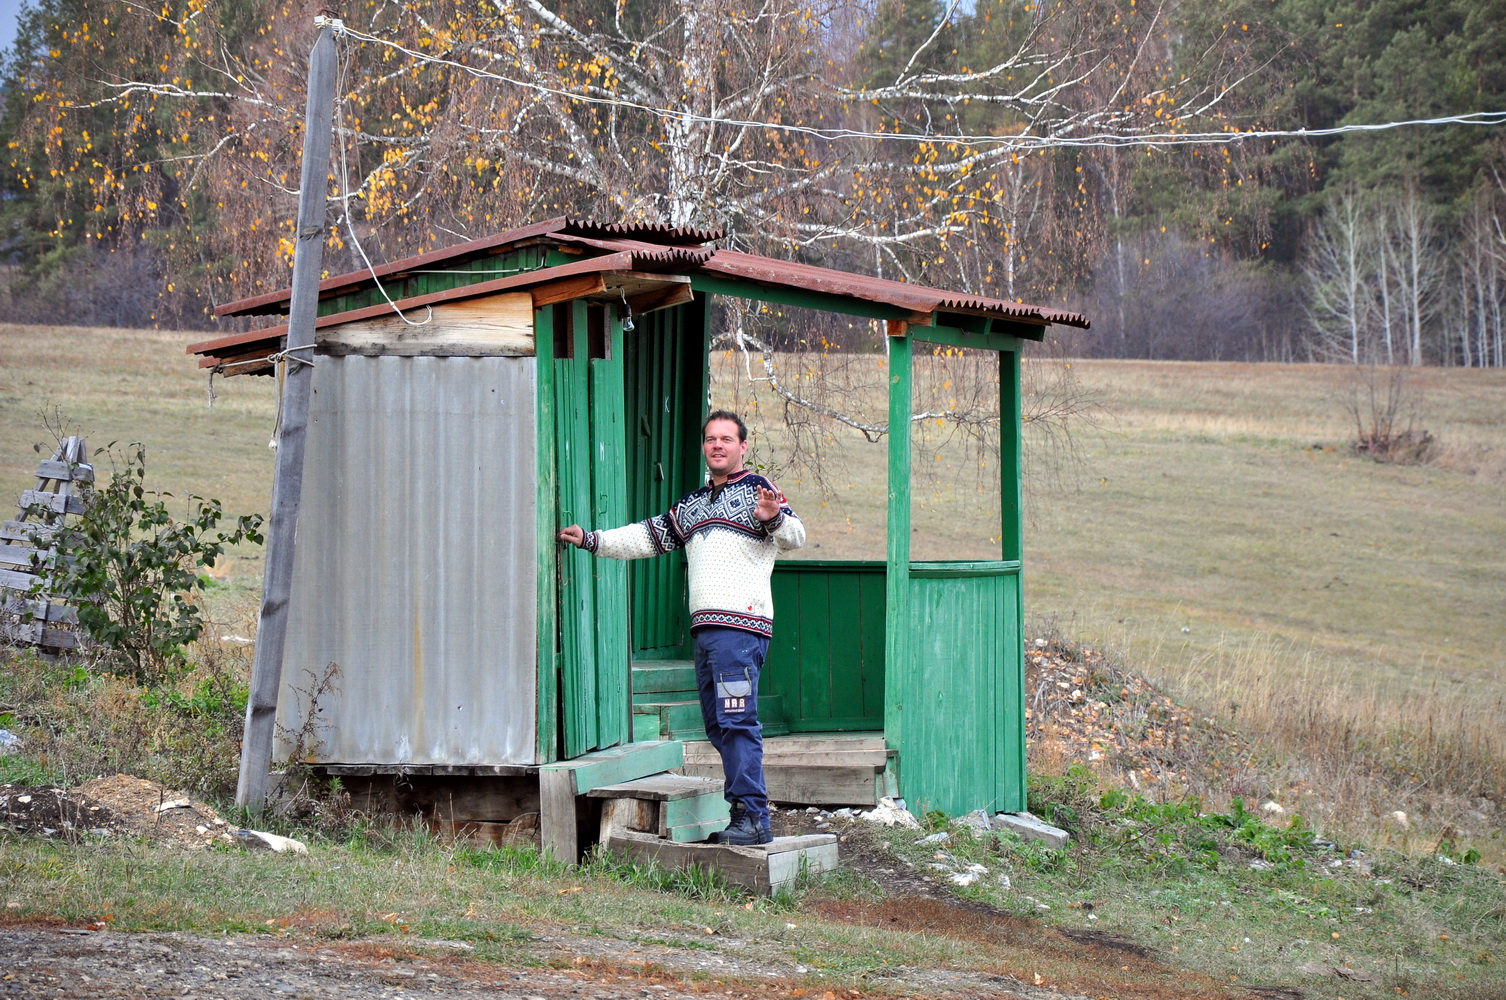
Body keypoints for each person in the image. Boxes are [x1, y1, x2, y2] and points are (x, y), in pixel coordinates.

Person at [558, 410, 805, 845]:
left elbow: (795, 537)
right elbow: (647, 537)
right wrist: (592, 539)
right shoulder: (691, 505)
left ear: (743, 447)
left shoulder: (760, 493)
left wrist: (773, 517)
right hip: (707, 634)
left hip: (740, 634)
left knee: (737, 723)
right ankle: (746, 814)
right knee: (718, 726)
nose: (718, 445)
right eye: (711, 438)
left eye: (727, 439)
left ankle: (752, 817)